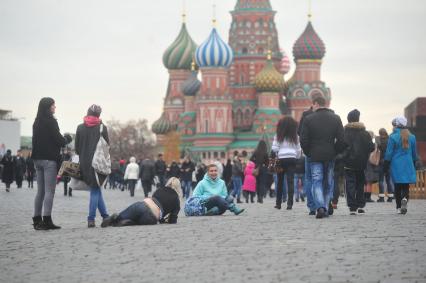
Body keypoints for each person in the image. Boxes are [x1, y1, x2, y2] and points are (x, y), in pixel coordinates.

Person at [300, 96, 345, 218]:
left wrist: (308, 152)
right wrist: (335, 151)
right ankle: (324, 206)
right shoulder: (335, 118)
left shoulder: (308, 119)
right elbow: (342, 139)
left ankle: (320, 207)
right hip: (330, 155)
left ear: (316, 104)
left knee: (317, 181)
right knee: (328, 182)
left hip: (314, 156)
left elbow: (303, 140)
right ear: (325, 104)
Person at [32, 97, 72, 230]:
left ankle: (37, 219)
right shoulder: (51, 122)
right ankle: (47, 220)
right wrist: (68, 138)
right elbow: (60, 140)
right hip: (49, 160)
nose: (55, 108)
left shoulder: (36, 122)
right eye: (53, 106)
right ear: (48, 107)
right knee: (50, 191)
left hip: (37, 160)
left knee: (40, 192)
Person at [75, 104, 110, 228]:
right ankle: (91, 219)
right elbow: (107, 146)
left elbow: (77, 149)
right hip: (98, 163)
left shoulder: (79, 127)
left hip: (84, 163)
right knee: (95, 189)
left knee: (96, 189)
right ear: (99, 115)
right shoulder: (102, 128)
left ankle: (106, 216)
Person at [101, 177, 182, 227]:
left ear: (168, 182)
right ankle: (129, 222)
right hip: (152, 216)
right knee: (138, 222)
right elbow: (173, 220)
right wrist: (166, 220)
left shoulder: (160, 189)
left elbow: (155, 199)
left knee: (124, 215)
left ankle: (115, 219)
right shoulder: (176, 200)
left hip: (142, 205)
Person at [342, 110, 375, 215]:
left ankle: (352, 207)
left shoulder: (345, 132)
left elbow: (341, 146)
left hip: (348, 163)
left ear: (348, 119)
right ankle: (361, 205)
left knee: (350, 184)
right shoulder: (365, 133)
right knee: (360, 184)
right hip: (361, 163)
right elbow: (371, 147)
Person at [384, 117, 418, 214]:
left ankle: (399, 207)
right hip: (408, 163)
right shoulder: (412, 137)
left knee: (397, 187)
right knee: (406, 185)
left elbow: (389, 153)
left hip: (396, 164)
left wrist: (386, 164)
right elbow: (414, 153)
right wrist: (414, 162)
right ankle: (405, 199)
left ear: (396, 125)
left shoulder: (393, 137)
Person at [272, 116, 302, 210]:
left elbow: (274, 148)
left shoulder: (278, 135)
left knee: (280, 182)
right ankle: (290, 204)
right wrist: (296, 157)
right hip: (292, 159)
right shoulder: (295, 136)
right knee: (290, 181)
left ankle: (278, 204)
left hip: (281, 159)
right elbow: (298, 150)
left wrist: (279, 152)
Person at [298, 106, 315, 215]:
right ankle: (324, 204)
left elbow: (300, 133)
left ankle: (312, 207)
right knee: (324, 179)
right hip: (327, 154)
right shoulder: (332, 115)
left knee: (309, 179)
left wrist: (306, 150)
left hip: (310, 152)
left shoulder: (306, 115)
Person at [378, 128, 394, 202]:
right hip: (389, 161)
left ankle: (381, 197)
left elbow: (377, 151)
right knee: (388, 179)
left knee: (381, 180)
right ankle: (390, 197)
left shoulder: (379, 141)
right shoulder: (390, 140)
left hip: (381, 162)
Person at [364, 131, 380, 202]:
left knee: (365, 182)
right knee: (369, 182)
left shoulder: (363, 144)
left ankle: (364, 197)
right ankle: (368, 197)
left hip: (364, 163)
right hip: (371, 164)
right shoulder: (373, 145)